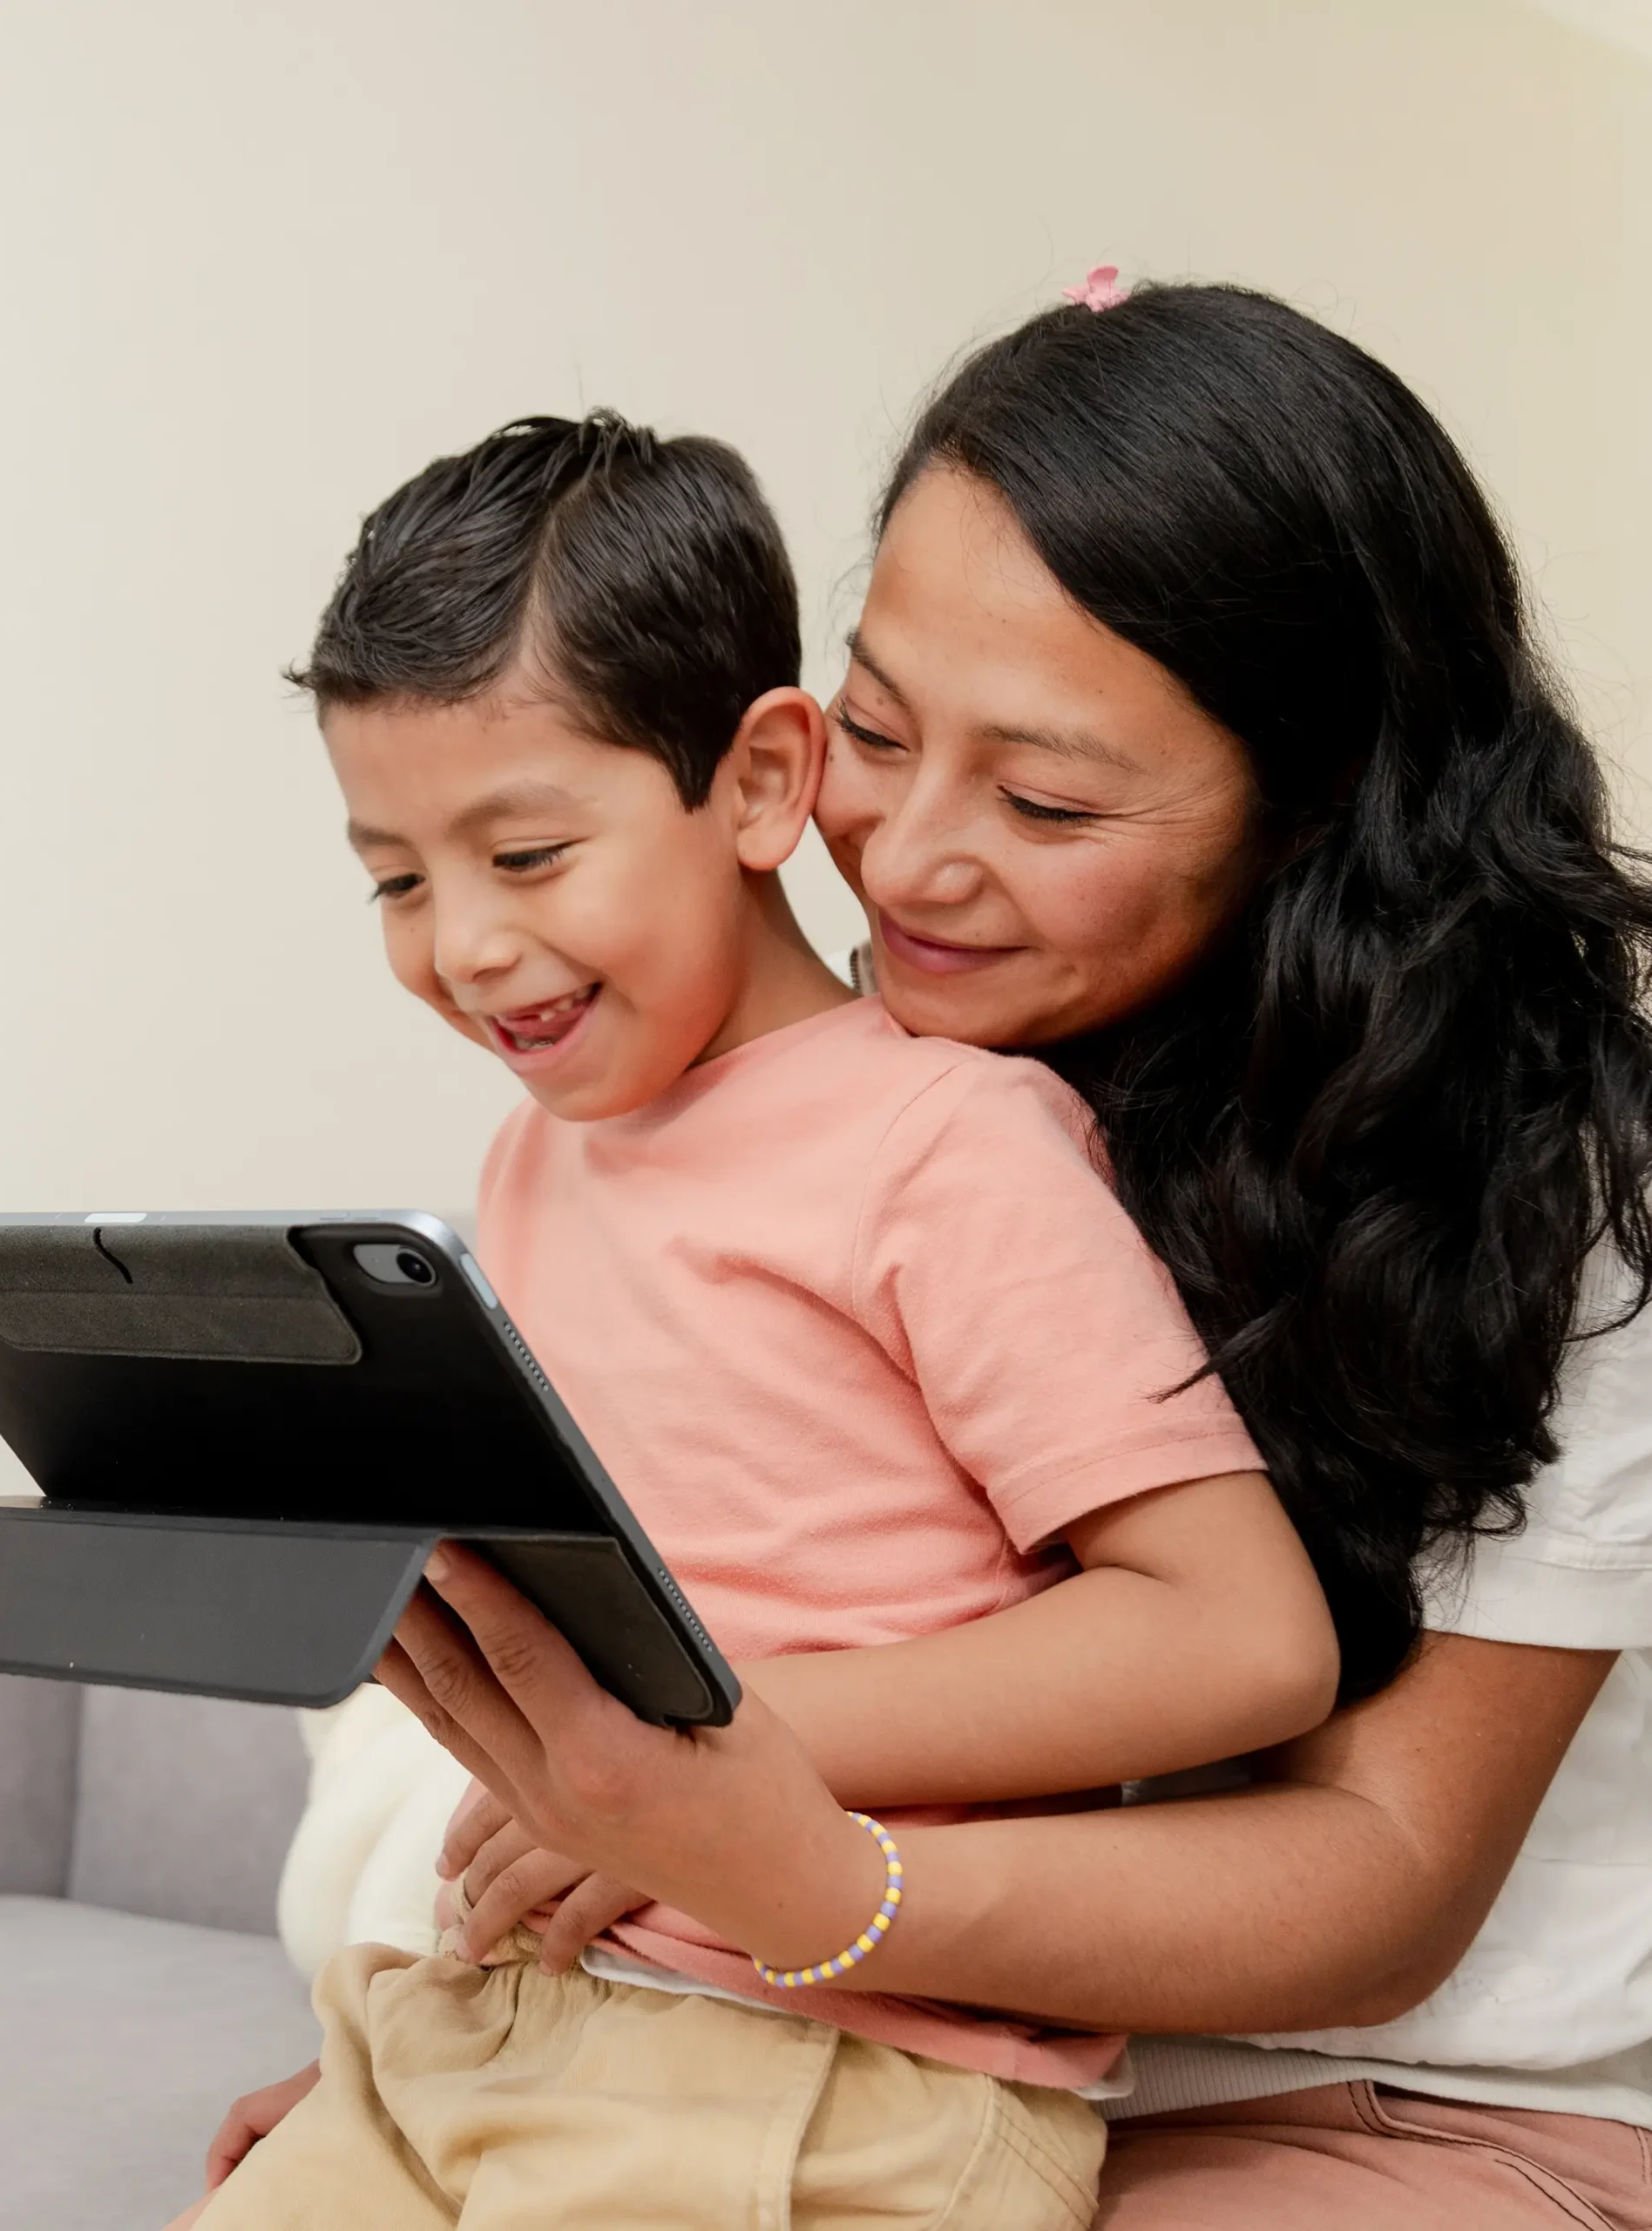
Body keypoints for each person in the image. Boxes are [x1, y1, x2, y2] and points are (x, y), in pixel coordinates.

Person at [208, 280, 1652, 2228]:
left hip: (1390, 2093)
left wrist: (770, 1844)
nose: (900, 858)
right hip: (862, 2022)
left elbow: (1380, 1882)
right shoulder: (834, 1091)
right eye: (878, 729)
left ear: (1314, 816)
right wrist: (515, 2042)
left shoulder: (1543, 1185)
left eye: (1047, 799)